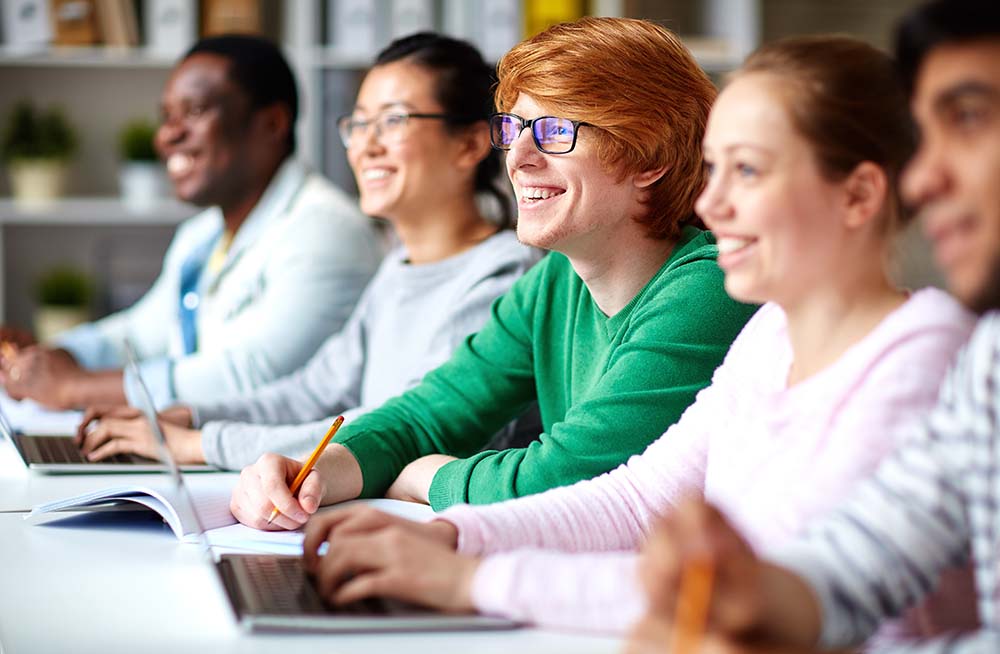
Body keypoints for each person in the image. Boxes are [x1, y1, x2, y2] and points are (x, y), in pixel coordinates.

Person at [290, 34, 979, 640]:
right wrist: (446, 535)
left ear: (859, 196)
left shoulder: (926, 352)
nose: (710, 203)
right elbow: (633, 499)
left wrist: (460, 565)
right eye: (714, 169)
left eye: (746, 170)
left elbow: (770, 588)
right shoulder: (773, 330)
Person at [229, 16, 759, 524]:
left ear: (650, 157)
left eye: (555, 130)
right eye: (514, 127)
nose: (518, 157)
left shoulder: (708, 289)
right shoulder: (554, 281)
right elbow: (425, 415)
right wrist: (314, 470)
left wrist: (425, 478)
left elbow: (562, 481)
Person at [624, 1, 1000, 654]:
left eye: (969, 118)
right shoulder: (989, 356)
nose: (923, 178)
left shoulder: (934, 345)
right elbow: (865, 555)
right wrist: (747, 589)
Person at [71, 33, 541, 470]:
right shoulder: (398, 268)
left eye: (394, 120)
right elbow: (311, 394)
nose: (365, 145)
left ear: (472, 143)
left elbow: (402, 430)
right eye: (358, 123)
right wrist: (190, 416)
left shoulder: (502, 279)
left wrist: (201, 444)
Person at [0, 35, 381, 411]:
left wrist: (75, 387)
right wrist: (48, 358)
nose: (167, 135)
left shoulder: (325, 231)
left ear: (272, 123)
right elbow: (137, 336)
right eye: (166, 116)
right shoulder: (203, 235)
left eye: (195, 111)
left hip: (283, 468)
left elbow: (251, 375)